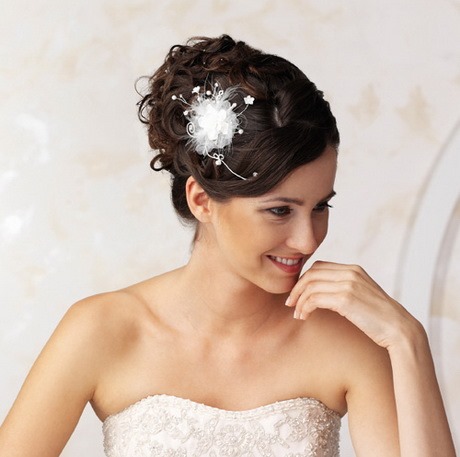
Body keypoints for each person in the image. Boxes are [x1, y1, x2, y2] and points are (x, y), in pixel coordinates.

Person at [0, 34, 455, 457]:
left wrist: (407, 339)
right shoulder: (100, 330)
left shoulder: (347, 340)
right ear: (202, 201)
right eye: (280, 210)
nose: (308, 239)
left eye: (321, 206)